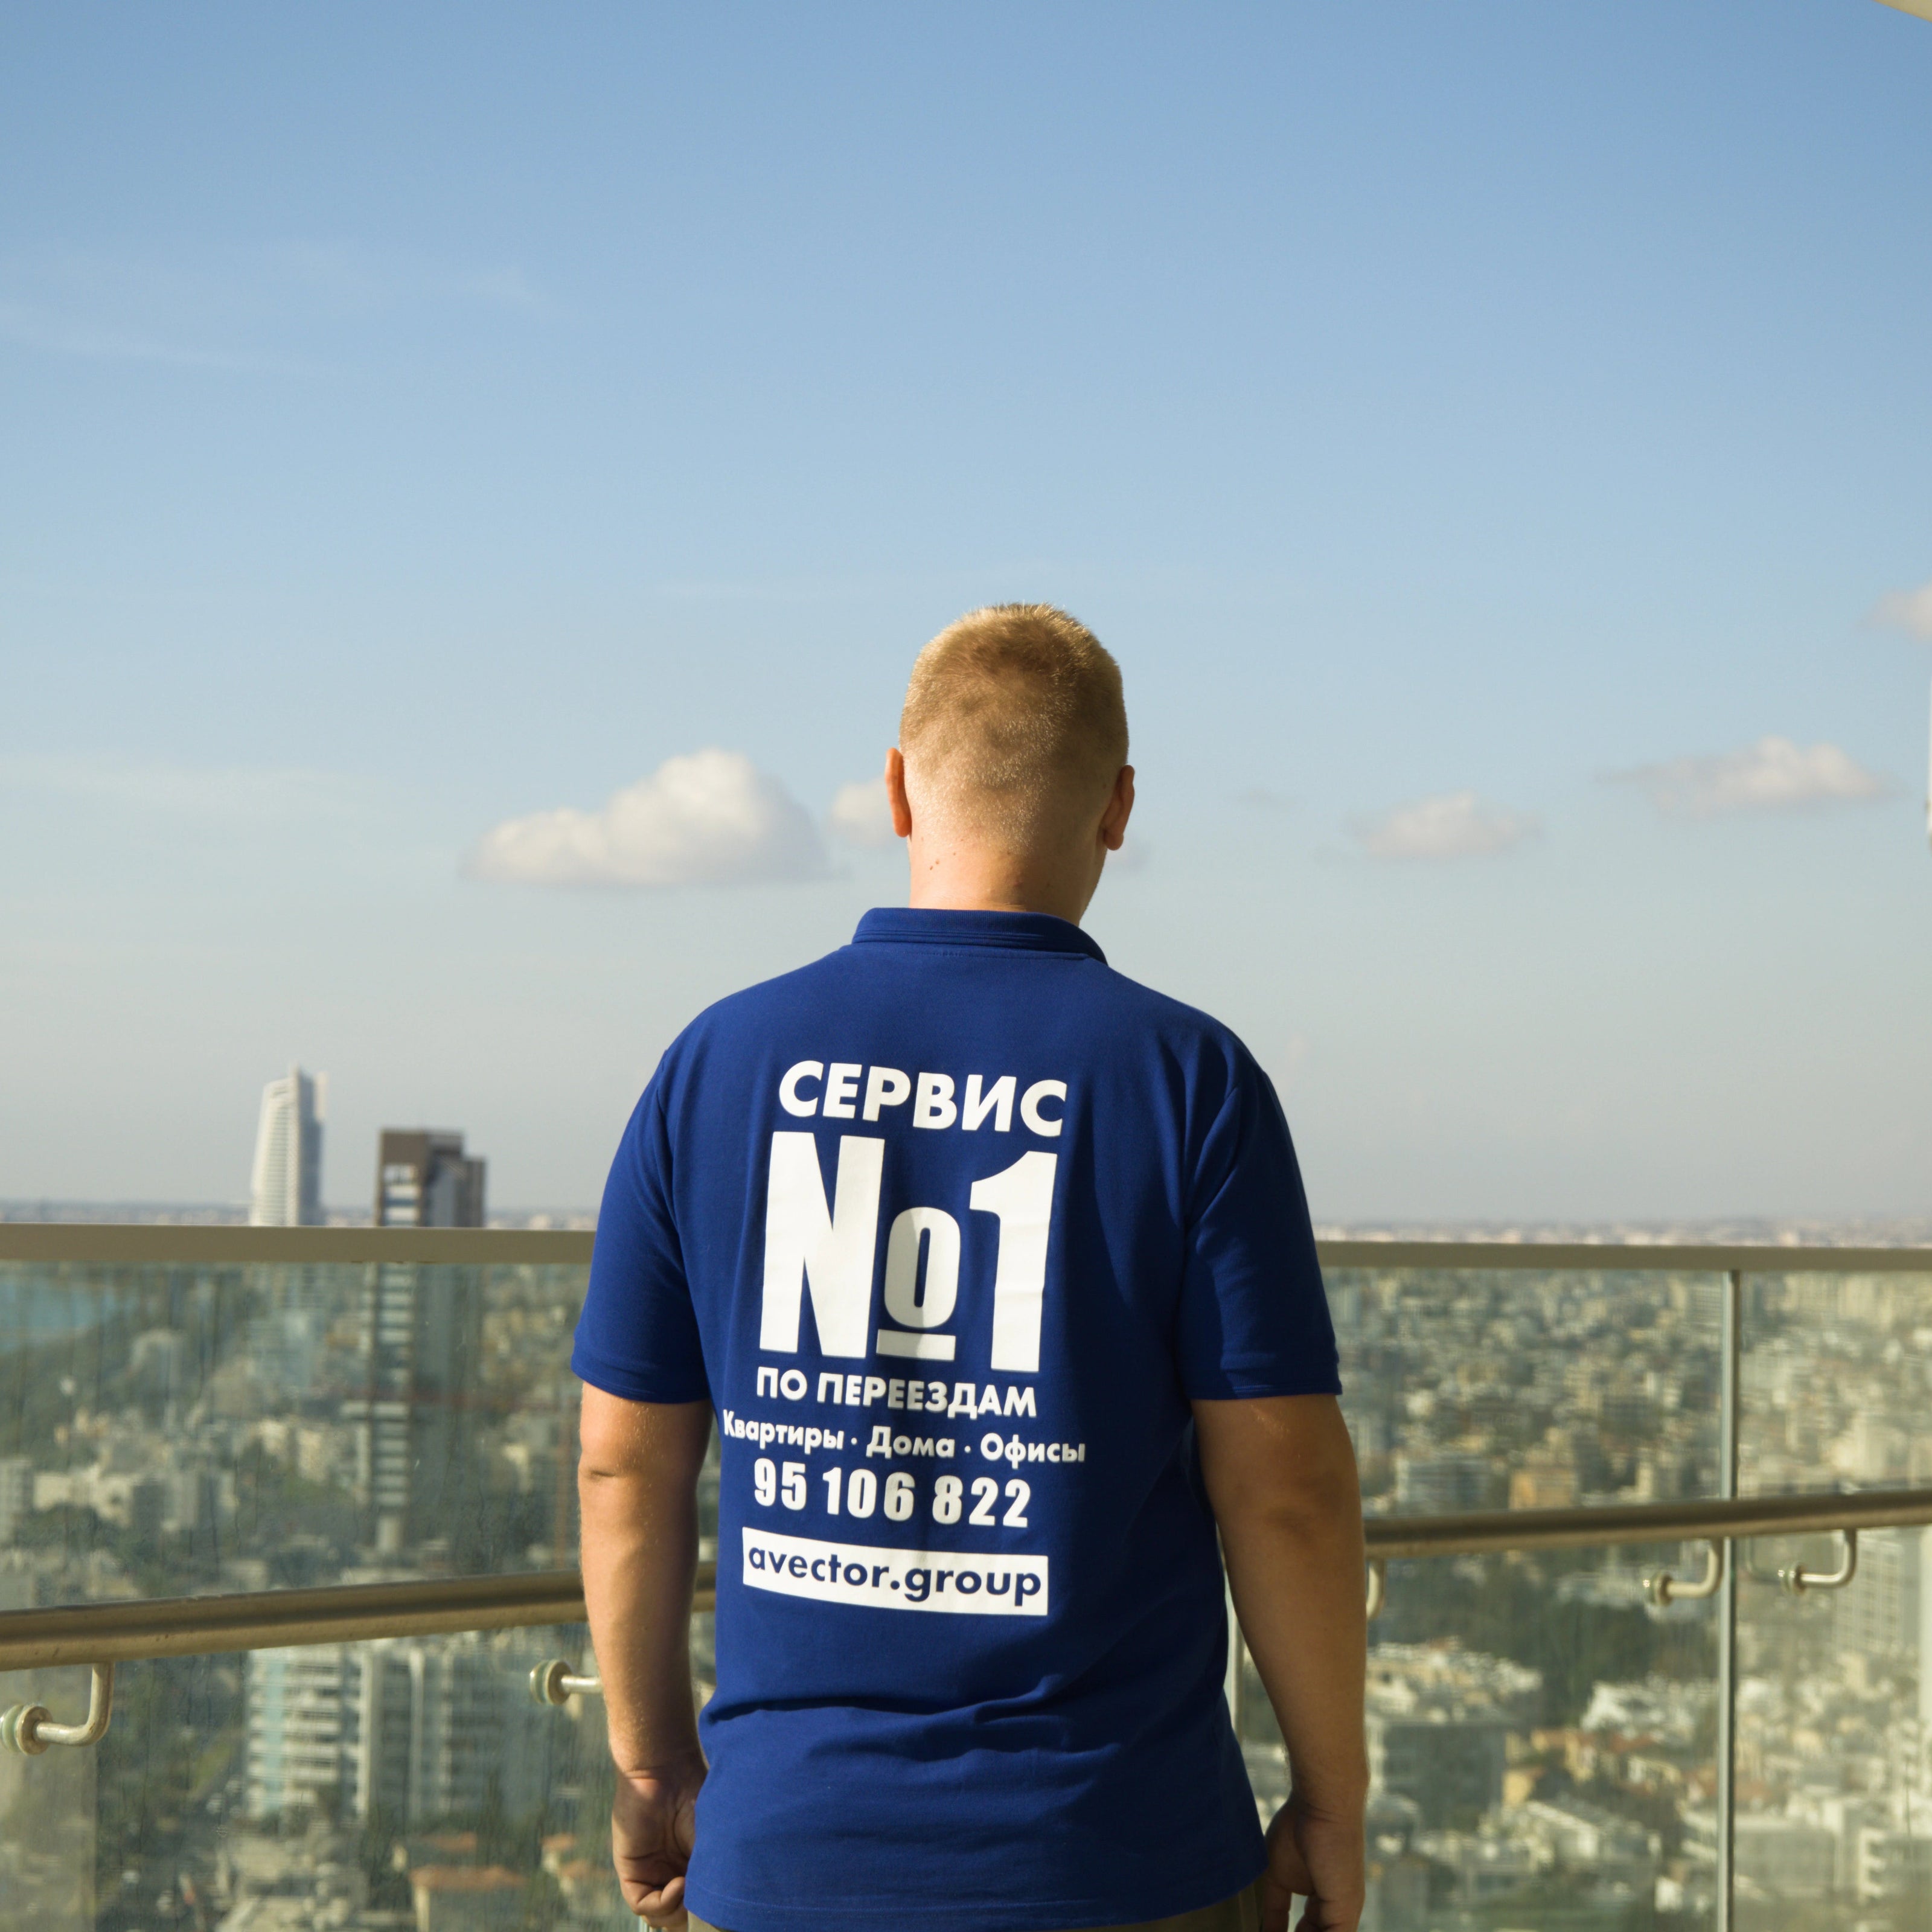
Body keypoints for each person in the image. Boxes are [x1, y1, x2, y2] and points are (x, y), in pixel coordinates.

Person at [572, 604, 1367, 1932]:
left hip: (789, 1859)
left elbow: (622, 1461)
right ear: (1118, 806)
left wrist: (655, 1765)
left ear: (894, 787)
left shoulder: (715, 1065)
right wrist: (1330, 1797)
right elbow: (1283, 1483)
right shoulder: (1187, 1082)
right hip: (1120, 1856)